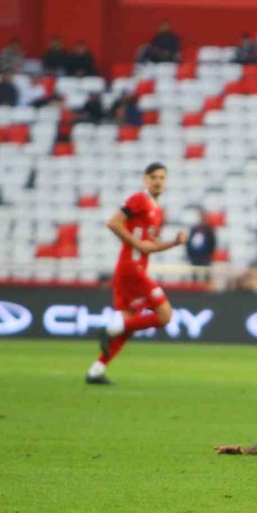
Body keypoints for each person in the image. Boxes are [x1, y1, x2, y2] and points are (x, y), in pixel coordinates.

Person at [87, 163, 188, 385]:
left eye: (162, 177)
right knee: (165, 314)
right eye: (154, 177)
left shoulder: (157, 211)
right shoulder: (139, 199)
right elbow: (113, 222)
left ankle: (96, 370)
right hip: (131, 269)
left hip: (131, 270)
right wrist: (135, 242)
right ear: (145, 179)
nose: (158, 181)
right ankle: (110, 328)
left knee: (129, 324)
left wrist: (173, 243)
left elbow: (148, 246)